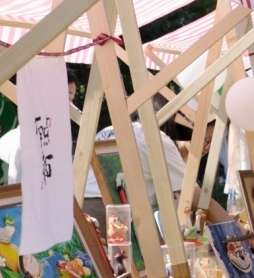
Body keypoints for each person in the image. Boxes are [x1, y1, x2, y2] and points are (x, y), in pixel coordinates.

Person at [82, 96, 231, 243]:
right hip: (108, 211)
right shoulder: (157, 139)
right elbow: (199, 200)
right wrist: (238, 232)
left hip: (82, 207)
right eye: (206, 139)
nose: (207, 147)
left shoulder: (111, 129)